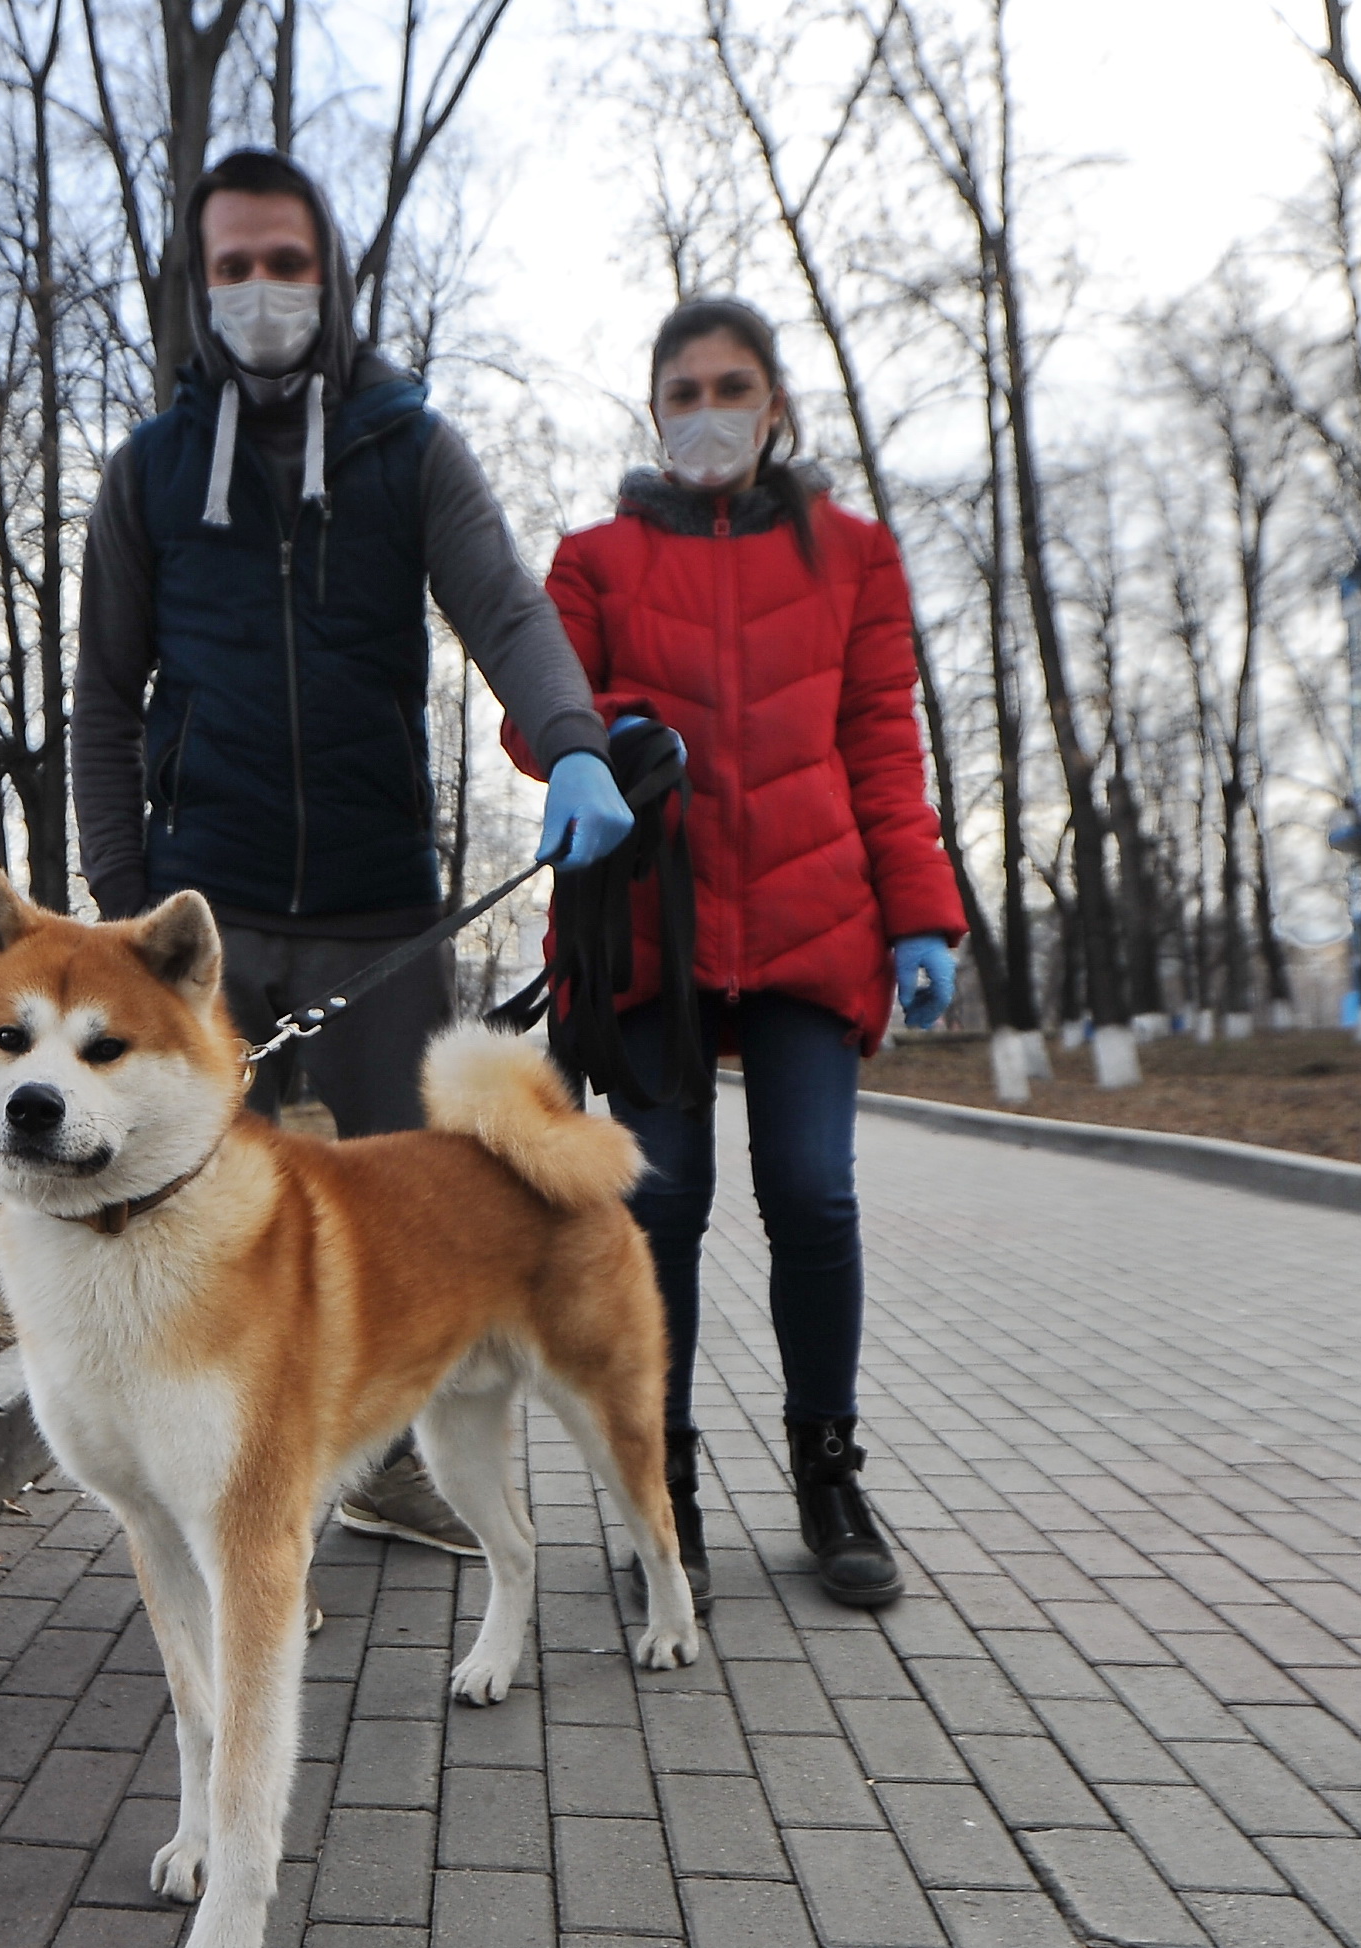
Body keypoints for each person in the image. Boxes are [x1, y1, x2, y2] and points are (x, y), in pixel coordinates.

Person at [76, 145, 635, 1556]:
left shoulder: (408, 446)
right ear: (199, 288)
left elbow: (504, 603)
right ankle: (209, 1457)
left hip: (382, 905)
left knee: (412, 1215)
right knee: (191, 1211)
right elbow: (100, 698)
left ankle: (383, 1461)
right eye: (233, 267)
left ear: (327, 277)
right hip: (202, 917)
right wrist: (126, 906)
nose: (262, 291)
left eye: (287, 263)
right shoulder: (146, 477)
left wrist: (573, 738)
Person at [509, 298, 963, 1609]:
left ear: (777, 405)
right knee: (661, 1207)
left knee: (814, 1193)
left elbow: (883, 741)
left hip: (818, 920)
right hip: (652, 921)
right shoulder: (592, 557)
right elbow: (540, 711)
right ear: (654, 413)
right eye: (683, 391)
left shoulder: (857, 556)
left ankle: (828, 1468)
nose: (709, 411)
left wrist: (921, 908)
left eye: (734, 386)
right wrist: (597, 738)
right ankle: (667, 1488)